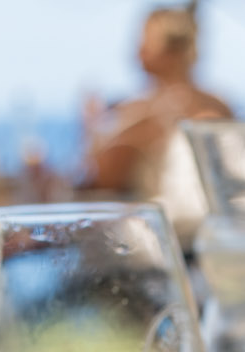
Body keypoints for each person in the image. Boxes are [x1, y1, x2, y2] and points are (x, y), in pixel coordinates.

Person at [82, 7, 232, 229]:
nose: (138, 51)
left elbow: (103, 179)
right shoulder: (219, 105)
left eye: (145, 42)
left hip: (161, 232)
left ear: (172, 51)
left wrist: (92, 128)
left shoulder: (146, 113)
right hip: (205, 228)